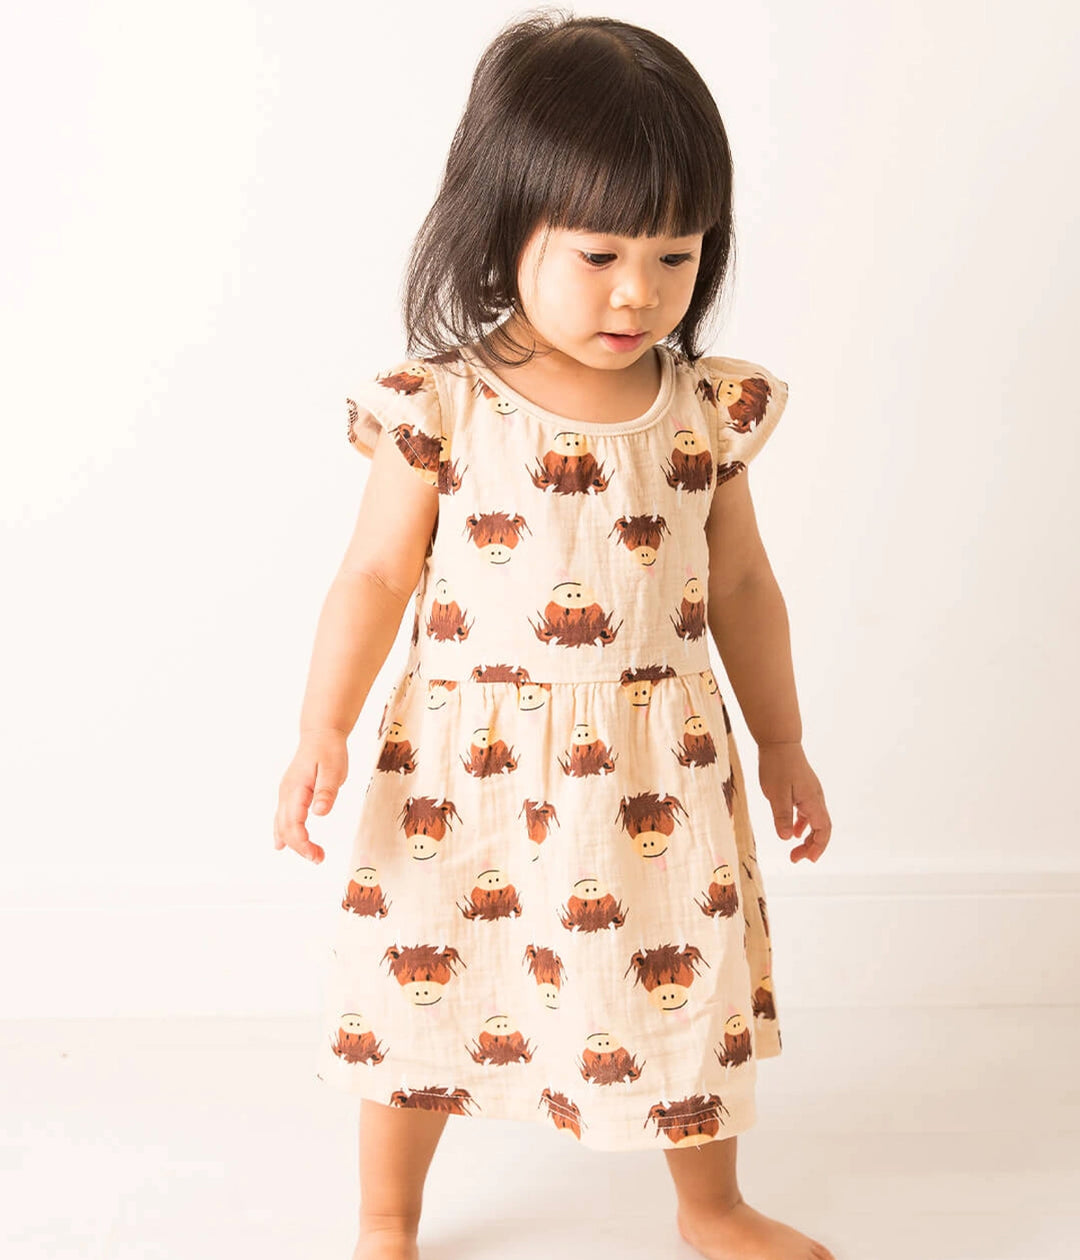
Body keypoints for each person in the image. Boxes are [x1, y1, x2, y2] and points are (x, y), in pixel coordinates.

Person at [274, 10, 834, 1260]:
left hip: (658, 763)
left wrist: (785, 741)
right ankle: (386, 1217)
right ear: (503, 226)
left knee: (685, 983)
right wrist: (322, 725)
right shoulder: (442, 407)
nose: (641, 291)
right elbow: (373, 574)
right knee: (422, 981)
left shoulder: (703, 410)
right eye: (599, 253)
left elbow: (743, 584)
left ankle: (711, 1206)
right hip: (461, 774)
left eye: (676, 254)